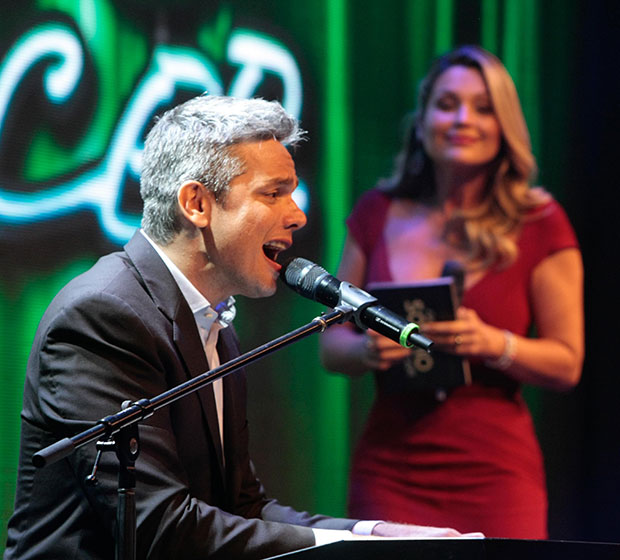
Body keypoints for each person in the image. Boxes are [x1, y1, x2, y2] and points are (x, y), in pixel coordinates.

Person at [4, 95, 479, 560]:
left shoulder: (214, 324)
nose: (298, 215)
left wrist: (373, 533)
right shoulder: (104, 316)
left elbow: (241, 507)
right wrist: (357, 550)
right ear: (197, 204)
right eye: (274, 193)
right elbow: (158, 528)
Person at [320, 46, 584, 539]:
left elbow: (567, 363)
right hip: (390, 473)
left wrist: (494, 343)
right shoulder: (376, 212)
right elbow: (331, 344)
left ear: (504, 126)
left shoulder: (541, 222)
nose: (463, 119)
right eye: (446, 105)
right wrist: (366, 350)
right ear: (421, 122)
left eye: (483, 108)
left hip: (497, 479)